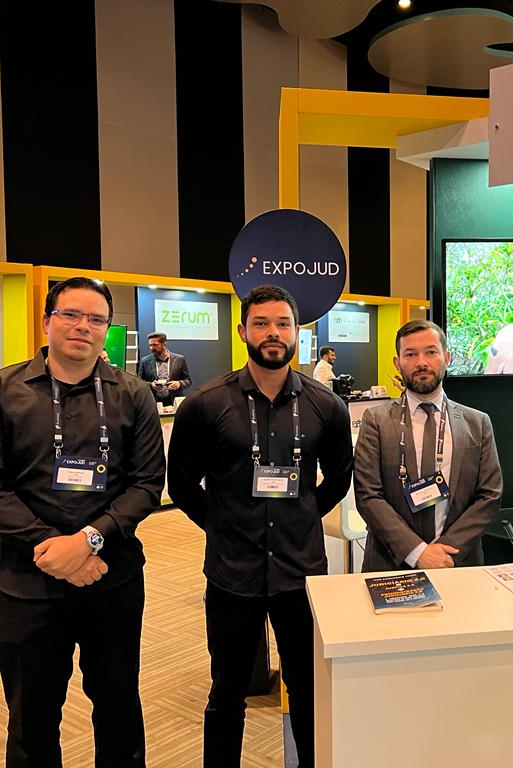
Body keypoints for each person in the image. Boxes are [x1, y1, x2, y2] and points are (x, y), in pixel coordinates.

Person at [0, 277, 166, 767]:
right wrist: (55, 547)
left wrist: (90, 539)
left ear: (106, 330)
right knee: (31, 717)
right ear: (47, 321)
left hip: (111, 579)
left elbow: (145, 485)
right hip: (27, 584)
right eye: (71, 314)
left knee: (118, 709)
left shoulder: (133, 395)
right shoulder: (1, 389)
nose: (83, 327)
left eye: (96, 319)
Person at [167, 284, 353, 768]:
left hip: (300, 574)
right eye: (262, 323)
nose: (273, 333)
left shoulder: (325, 406)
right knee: (227, 691)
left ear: (298, 331)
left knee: (309, 689)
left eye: (282, 324)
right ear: (242, 330)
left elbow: (338, 477)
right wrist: (223, 523)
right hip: (232, 575)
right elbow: (182, 484)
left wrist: (303, 516)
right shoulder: (206, 404)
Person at [354, 320, 502, 571]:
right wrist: (417, 552)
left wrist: (444, 551)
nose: (421, 362)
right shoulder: (375, 420)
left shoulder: (477, 423)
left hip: (458, 562)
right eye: (410, 354)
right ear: (397, 363)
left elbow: (489, 495)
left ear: (446, 357)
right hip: (391, 564)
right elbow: (368, 495)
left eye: (431, 352)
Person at [137, 332, 192, 406]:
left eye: (155, 345)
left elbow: (188, 380)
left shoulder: (179, 359)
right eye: (150, 345)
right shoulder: (145, 361)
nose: (152, 348)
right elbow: (139, 382)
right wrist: (151, 385)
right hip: (153, 403)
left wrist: (179, 384)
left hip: (174, 403)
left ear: (164, 344)